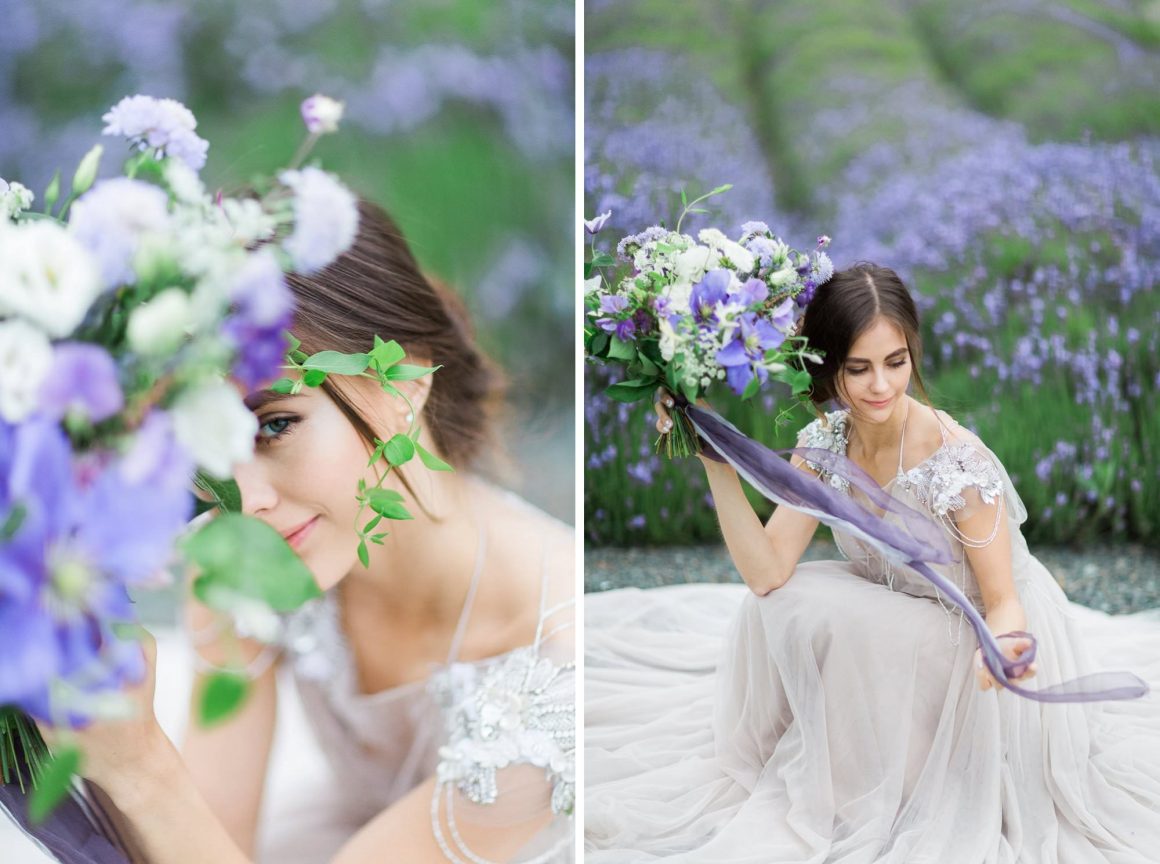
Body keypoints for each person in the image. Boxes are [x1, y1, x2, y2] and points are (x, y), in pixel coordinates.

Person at [54, 199, 576, 864]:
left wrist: (135, 761)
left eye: (277, 424)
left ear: (402, 382)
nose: (244, 499)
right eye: (207, 450)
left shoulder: (558, 675)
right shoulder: (249, 563)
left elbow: (167, 807)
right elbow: (213, 832)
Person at [585, 263, 1160, 863]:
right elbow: (766, 573)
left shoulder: (954, 460)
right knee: (790, 600)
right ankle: (838, 764)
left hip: (972, 637)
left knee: (841, 617)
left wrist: (1007, 641)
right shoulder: (827, 442)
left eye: (896, 362)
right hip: (895, 616)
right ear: (827, 365)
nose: (881, 386)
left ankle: (886, 776)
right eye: (857, 368)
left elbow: (1004, 599)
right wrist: (717, 462)